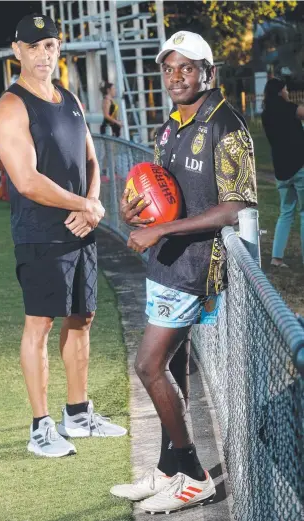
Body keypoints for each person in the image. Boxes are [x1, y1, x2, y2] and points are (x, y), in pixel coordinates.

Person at [110, 30, 257, 514]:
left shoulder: (227, 125)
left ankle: (194, 475)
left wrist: (164, 229)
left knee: (148, 365)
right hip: (166, 259)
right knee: (172, 365)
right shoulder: (171, 124)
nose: (176, 78)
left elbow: (236, 206)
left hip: (194, 265)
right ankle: (169, 468)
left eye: (187, 68)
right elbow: (157, 189)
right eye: (169, 69)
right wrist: (138, 215)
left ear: (207, 73)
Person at [0, 14, 126, 459]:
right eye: (34, 46)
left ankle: (79, 414)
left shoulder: (68, 98)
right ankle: (40, 427)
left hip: (80, 226)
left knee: (83, 318)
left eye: (50, 45)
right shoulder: (11, 106)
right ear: (17, 50)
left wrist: (92, 203)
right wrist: (83, 206)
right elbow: (26, 181)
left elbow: (91, 156)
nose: (43, 54)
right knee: (40, 325)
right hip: (40, 233)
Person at [261, 77, 304, 267]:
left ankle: (276, 257)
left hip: (281, 170)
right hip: (299, 166)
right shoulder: (289, 109)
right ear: (280, 91)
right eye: (286, 89)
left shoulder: (265, 114)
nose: (287, 92)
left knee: (285, 212)